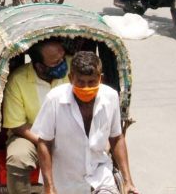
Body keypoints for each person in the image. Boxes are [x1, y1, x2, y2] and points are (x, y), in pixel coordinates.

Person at [32, 51, 138, 194]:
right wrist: (49, 186)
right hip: (65, 181)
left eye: (91, 82)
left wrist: (128, 181)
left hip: (100, 175)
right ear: (70, 78)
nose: (86, 88)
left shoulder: (110, 97)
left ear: (100, 79)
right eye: (80, 82)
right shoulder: (54, 99)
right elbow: (44, 143)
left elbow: (116, 137)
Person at [2, 39, 71, 194]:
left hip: (71, 131)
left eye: (62, 58)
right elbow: (18, 125)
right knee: (17, 158)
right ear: (40, 66)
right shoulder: (18, 80)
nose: (63, 64)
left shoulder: (73, 68)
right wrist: (47, 143)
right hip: (30, 134)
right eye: (56, 62)